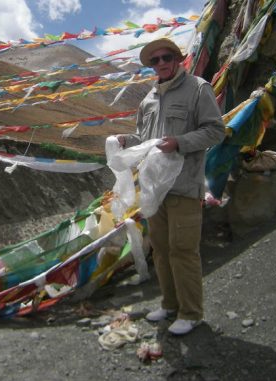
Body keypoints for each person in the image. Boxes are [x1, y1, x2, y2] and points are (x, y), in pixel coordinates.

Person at [117, 37, 225, 335]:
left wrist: (180, 143)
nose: (161, 63)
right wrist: (127, 142)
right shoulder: (147, 100)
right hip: (154, 189)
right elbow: (145, 138)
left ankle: (191, 313)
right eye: (155, 60)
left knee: (183, 251)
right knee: (161, 251)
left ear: (177, 59)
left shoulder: (198, 89)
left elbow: (216, 131)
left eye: (166, 57)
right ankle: (169, 304)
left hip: (185, 186)